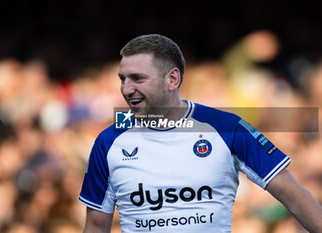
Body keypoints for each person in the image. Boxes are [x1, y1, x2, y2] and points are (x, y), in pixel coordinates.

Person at [78, 34, 322, 233]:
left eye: (137, 79)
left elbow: (296, 197)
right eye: (123, 79)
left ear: (172, 79)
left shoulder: (227, 128)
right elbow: (97, 225)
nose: (126, 89)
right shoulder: (108, 142)